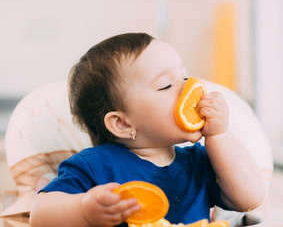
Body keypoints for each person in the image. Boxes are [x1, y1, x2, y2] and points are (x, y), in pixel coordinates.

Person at [29, 33, 265, 227]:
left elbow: (249, 198)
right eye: (166, 85)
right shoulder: (95, 165)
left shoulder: (200, 160)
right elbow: (39, 216)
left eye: (184, 76)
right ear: (123, 124)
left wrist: (219, 135)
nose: (190, 86)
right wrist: (83, 210)